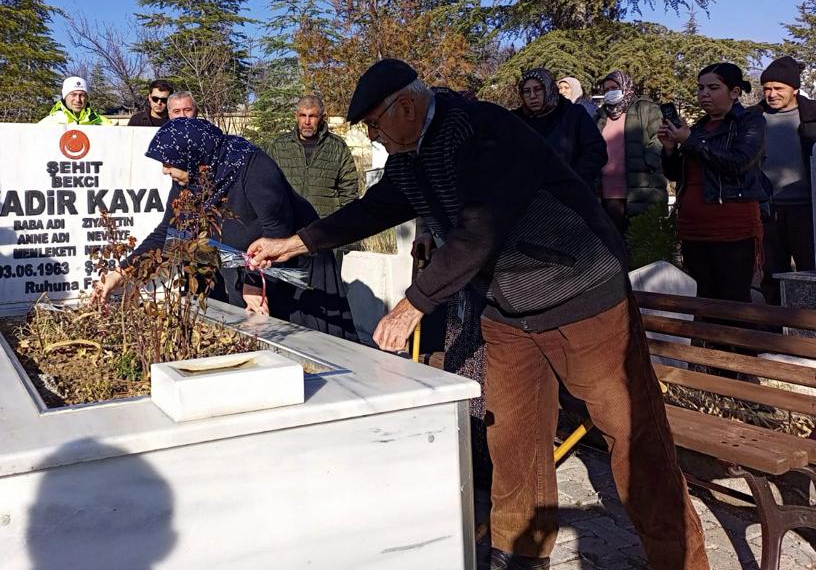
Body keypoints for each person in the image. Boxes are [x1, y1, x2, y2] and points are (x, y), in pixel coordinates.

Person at [248, 59, 708, 570]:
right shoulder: (410, 155)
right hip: (508, 310)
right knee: (511, 439)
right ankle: (519, 557)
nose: (374, 137)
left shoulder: (483, 132)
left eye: (375, 124)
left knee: (632, 436)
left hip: (582, 297)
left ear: (406, 106)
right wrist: (296, 242)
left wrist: (413, 304)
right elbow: (374, 209)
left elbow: (479, 231)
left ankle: (681, 562)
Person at [93, 118, 355, 340]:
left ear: (191, 154)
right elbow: (168, 234)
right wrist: (121, 273)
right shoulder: (193, 179)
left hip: (294, 267)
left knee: (312, 345)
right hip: (251, 269)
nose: (165, 170)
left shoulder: (252, 166)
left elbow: (278, 227)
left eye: (169, 163)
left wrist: (255, 285)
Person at [661, 62, 767, 304]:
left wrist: (691, 141)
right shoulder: (697, 128)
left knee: (733, 301)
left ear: (734, 92)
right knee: (703, 300)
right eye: (701, 88)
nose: (704, 94)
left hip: (732, 229)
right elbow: (676, 174)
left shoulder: (750, 122)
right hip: (693, 229)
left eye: (713, 87)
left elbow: (738, 162)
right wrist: (669, 149)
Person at [755, 55, 816, 304]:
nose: (771, 94)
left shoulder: (812, 115)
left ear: (795, 89)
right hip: (767, 211)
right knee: (771, 276)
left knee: (810, 273)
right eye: (767, 88)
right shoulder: (752, 118)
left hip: (808, 211)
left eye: (778, 88)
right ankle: (775, 325)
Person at [596, 70, 668, 233]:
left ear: (625, 87)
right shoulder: (600, 116)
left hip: (641, 189)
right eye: (606, 90)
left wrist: (649, 161)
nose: (609, 92)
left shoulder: (645, 108)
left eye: (614, 88)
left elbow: (659, 137)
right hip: (607, 192)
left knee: (640, 241)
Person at [265, 94, 359, 219]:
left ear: (322, 117)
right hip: (288, 225)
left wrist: (343, 225)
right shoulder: (279, 147)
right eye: (303, 115)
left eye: (313, 116)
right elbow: (267, 187)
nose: (307, 122)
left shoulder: (338, 147)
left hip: (324, 226)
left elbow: (349, 193)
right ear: (296, 116)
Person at [512, 69, 607, 185]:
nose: (532, 96)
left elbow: (595, 151)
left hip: (571, 190)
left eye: (538, 89)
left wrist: (572, 178)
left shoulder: (574, 114)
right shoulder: (516, 120)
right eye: (526, 91)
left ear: (549, 89)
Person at [39, 76, 114, 125]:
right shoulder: (49, 123)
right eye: (73, 94)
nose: (78, 100)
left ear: (87, 98)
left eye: (82, 95)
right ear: (65, 97)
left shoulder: (103, 123)